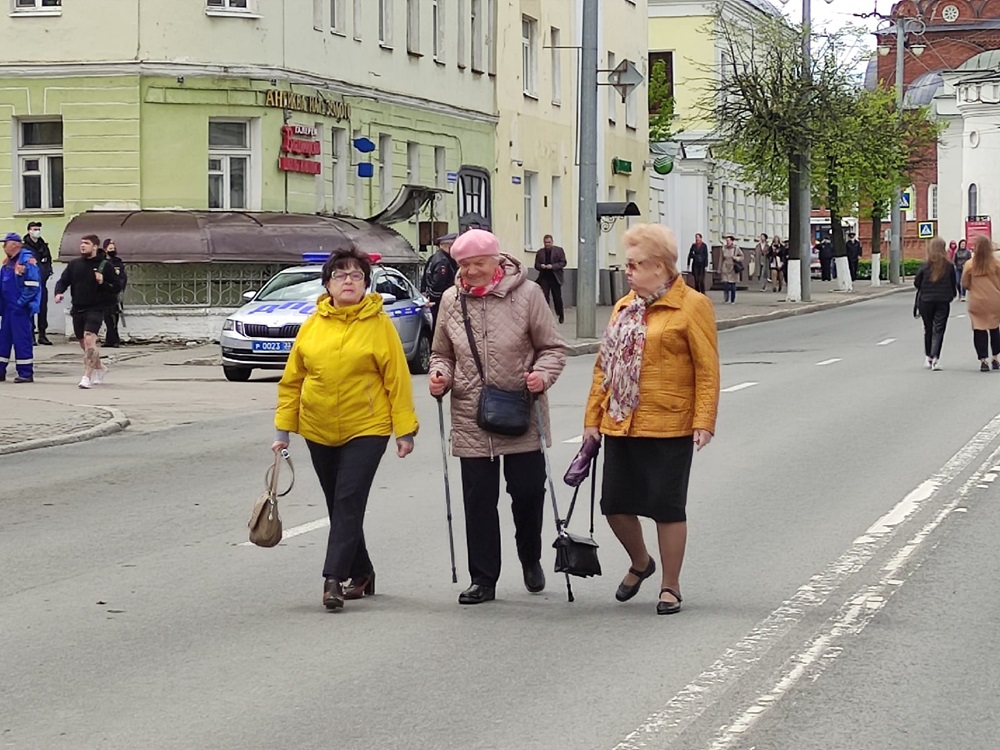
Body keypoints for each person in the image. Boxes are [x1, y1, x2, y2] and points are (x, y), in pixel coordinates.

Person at [583, 223, 720, 616]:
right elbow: (603, 368)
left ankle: (670, 587)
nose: (627, 271)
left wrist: (703, 419)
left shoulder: (692, 305)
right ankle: (641, 562)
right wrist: (592, 418)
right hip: (622, 422)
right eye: (626, 264)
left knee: (667, 506)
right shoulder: (624, 306)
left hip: (670, 423)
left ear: (658, 266)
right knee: (614, 505)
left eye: (634, 264)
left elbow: (707, 368)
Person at [272, 247, 418, 610]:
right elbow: (293, 380)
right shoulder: (312, 323)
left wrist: (405, 430)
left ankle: (333, 578)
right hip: (318, 427)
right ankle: (363, 570)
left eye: (356, 275)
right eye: (340, 275)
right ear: (327, 284)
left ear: (367, 284)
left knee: (349, 499)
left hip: (367, 426)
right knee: (339, 505)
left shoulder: (379, 324)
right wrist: (282, 431)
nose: (349, 281)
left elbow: (397, 379)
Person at [428, 229, 566, 605]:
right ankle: (483, 578)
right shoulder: (452, 301)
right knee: (478, 500)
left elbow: (552, 348)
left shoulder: (528, 295)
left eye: (478, 263)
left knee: (526, 493)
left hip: (521, 408)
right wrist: (440, 376)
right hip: (471, 414)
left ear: (496, 260)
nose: (471, 271)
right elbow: (442, 352)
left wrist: (542, 376)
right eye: (464, 265)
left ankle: (530, 557)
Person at [53, 235, 118, 389]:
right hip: (78, 308)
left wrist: (103, 282)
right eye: (81, 243)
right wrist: (58, 292)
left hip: (96, 308)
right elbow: (63, 281)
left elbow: (116, 287)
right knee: (84, 343)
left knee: (89, 340)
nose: (82, 246)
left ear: (95, 246)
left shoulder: (105, 265)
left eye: (86, 244)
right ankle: (100, 368)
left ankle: (86, 376)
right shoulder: (75, 264)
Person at [0, 233, 42, 383]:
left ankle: (25, 373)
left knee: (21, 340)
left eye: (6, 243)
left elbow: (32, 285)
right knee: (3, 340)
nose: (4, 246)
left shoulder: (26, 260)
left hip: (19, 309)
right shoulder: (8, 262)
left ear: (15, 245)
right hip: (7, 309)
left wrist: (20, 303)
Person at [914, 237, 957, 371]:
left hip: (926, 301)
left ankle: (928, 357)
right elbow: (953, 283)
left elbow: (917, 283)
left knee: (928, 329)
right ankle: (936, 358)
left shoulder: (925, 265)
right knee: (939, 329)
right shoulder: (949, 266)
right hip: (943, 301)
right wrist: (951, 295)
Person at [961, 234, 1000, 372]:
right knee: (995, 328)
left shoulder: (970, 264)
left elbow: (965, 283)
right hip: (994, 301)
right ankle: (995, 358)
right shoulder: (996, 264)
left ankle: (983, 360)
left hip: (977, 301)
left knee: (979, 330)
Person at [22, 221, 52, 345]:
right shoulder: (25, 247)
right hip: (28, 285)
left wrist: (47, 272)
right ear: (29, 230)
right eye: (34, 229)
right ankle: (30, 335)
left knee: (42, 308)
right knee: (30, 309)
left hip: (42, 283)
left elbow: (48, 261)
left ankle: (42, 334)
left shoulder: (43, 246)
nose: (37, 231)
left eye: (38, 229)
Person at [421, 233, 458, 329]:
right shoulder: (443, 261)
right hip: (440, 301)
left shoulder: (433, 257)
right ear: (449, 246)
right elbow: (439, 284)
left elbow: (424, 278)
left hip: (433, 299)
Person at [534, 234, 567, 324]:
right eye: (545, 243)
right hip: (544, 277)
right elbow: (536, 265)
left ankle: (560, 314)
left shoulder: (559, 251)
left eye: (549, 242)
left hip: (555, 277)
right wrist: (541, 266)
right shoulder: (540, 252)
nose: (547, 244)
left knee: (557, 298)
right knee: (545, 297)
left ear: (552, 242)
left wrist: (552, 266)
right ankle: (546, 316)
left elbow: (563, 262)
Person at [101, 239, 127, 347]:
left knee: (115, 316)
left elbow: (122, 277)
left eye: (113, 248)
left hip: (115, 294)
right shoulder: (102, 262)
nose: (112, 250)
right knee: (107, 317)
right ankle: (110, 339)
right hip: (105, 293)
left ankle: (114, 340)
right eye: (110, 248)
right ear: (105, 249)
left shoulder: (117, 262)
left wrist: (120, 289)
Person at [720, 235, 743, 304]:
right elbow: (721, 258)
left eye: (729, 240)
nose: (727, 242)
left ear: (732, 241)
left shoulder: (736, 248)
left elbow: (742, 256)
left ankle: (733, 300)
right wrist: (719, 268)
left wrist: (736, 258)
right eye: (727, 241)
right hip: (725, 266)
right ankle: (726, 299)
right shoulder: (723, 248)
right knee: (725, 284)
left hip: (733, 267)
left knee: (732, 284)